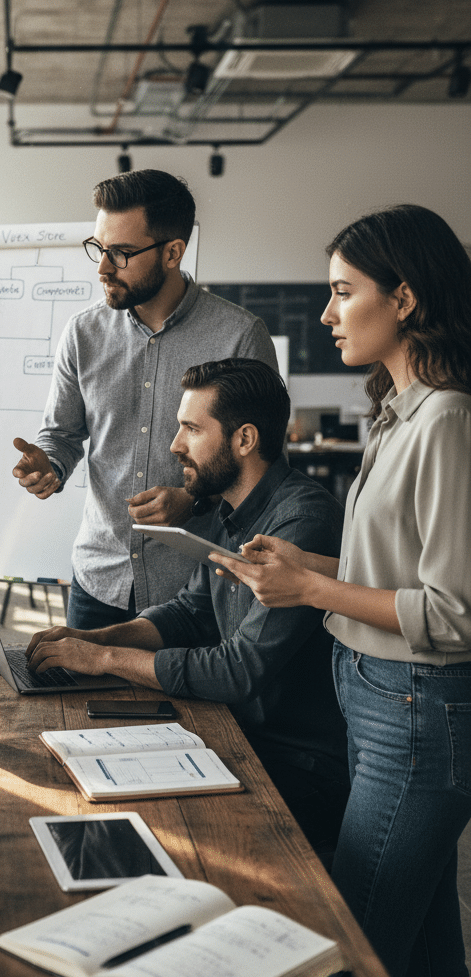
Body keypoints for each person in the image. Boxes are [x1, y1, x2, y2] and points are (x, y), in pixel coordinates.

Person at [209, 206, 471, 977]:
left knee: (354, 945)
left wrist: (314, 586)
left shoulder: (447, 421)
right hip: (375, 693)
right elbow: (401, 568)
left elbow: (456, 612)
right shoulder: (396, 413)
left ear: (405, 300)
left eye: (342, 292)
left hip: (418, 706)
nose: (325, 314)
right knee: (422, 943)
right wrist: (308, 563)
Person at [26, 357, 348, 857]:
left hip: (293, 766)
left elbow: (238, 670)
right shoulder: (227, 506)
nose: (175, 445)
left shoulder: (301, 520)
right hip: (237, 736)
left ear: (244, 440)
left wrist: (106, 661)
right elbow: (187, 614)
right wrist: (94, 638)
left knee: (133, 830)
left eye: (192, 429)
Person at [11, 169, 278, 628]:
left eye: (121, 253)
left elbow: (266, 470)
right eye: (98, 248)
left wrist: (194, 501)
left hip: (199, 590)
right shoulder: (83, 333)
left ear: (173, 252)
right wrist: (49, 466)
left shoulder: (239, 337)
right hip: (98, 580)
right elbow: (62, 434)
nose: (102, 268)